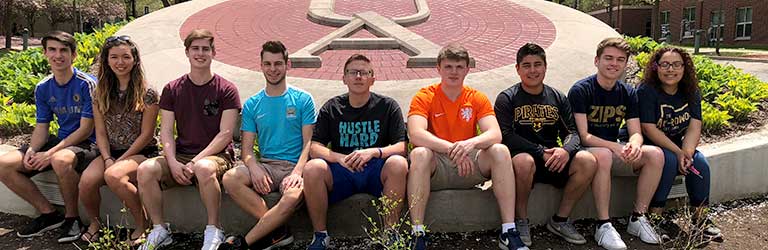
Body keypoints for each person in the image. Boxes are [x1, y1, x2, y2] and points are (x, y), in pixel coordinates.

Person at [407, 44, 528, 250]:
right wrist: (452, 149)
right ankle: (417, 233)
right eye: (448, 66)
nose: (454, 72)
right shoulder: (425, 96)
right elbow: (415, 133)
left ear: (467, 69)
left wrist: (470, 143)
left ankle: (508, 231)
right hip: (438, 166)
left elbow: (495, 133)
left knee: (500, 150)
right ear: (438, 69)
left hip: (468, 165)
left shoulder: (476, 97)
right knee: (419, 153)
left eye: (459, 66)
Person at [136, 29, 241, 250]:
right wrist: (172, 162)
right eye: (195, 48)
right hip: (182, 154)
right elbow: (166, 131)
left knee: (203, 168)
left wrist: (194, 162)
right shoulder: (173, 89)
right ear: (187, 52)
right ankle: (159, 229)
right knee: (145, 169)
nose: (200, 53)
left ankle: (214, 229)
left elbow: (225, 135)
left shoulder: (227, 89)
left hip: (216, 155)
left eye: (205, 49)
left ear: (213, 52)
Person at [494, 43, 598, 247]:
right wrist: (539, 151)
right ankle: (521, 221)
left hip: (554, 159)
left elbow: (572, 133)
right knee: (523, 162)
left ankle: (560, 220)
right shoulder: (507, 98)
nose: (532, 70)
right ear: (518, 69)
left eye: (537, 64)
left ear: (545, 66)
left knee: (588, 160)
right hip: (524, 161)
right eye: (526, 65)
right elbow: (506, 135)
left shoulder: (558, 97)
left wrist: (566, 151)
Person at [0, 31, 98, 243]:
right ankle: (49, 214)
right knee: (4, 164)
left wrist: (49, 154)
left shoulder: (87, 84)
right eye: (52, 50)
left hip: (89, 142)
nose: (58, 55)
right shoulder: (43, 87)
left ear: (74, 55)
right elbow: (42, 127)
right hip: (61, 140)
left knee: (60, 160)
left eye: (64, 50)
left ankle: (72, 219)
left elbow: (85, 129)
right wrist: (34, 150)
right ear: (44, 53)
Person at [303, 54, 408, 250]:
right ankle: (320, 236)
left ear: (373, 79)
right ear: (344, 78)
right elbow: (315, 147)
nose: (358, 76)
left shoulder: (388, 106)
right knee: (312, 168)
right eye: (353, 72)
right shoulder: (332, 107)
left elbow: (401, 147)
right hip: (343, 171)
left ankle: (390, 233)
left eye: (364, 73)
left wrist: (374, 152)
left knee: (398, 164)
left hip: (375, 170)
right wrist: (339, 158)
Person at [217, 41, 315, 250]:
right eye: (268, 64)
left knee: (291, 198)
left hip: (296, 167)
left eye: (278, 63)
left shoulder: (303, 99)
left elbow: (309, 143)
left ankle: (244, 244)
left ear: (287, 65)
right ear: (261, 66)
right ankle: (277, 231)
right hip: (267, 165)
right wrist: (254, 168)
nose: (273, 69)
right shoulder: (253, 104)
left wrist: (297, 172)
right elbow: (246, 150)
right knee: (230, 178)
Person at [567, 37, 664, 249]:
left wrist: (635, 145)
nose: (614, 63)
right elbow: (584, 136)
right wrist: (616, 147)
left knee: (655, 154)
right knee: (602, 153)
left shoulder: (627, 92)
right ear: (596, 61)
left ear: (625, 64)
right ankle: (603, 225)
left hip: (613, 151)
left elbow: (636, 132)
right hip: (587, 154)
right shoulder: (581, 90)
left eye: (620, 60)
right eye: (608, 58)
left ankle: (638, 218)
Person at [77, 35, 159, 244]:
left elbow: (147, 134)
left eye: (125, 57)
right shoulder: (100, 93)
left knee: (114, 176)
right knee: (86, 181)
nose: (120, 62)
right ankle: (96, 223)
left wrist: (123, 158)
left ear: (134, 60)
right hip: (109, 152)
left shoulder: (148, 93)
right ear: (106, 60)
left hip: (141, 152)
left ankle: (143, 224)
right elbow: (101, 133)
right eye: (114, 57)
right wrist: (107, 158)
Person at [638, 47, 721, 240]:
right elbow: (649, 128)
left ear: (684, 68)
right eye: (665, 64)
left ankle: (700, 218)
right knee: (668, 159)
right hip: (649, 146)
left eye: (676, 64)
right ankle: (654, 217)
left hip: (676, 146)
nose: (670, 69)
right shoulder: (647, 90)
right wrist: (678, 152)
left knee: (699, 164)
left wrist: (687, 153)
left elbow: (695, 124)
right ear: (656, 67)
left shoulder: (690, 91)